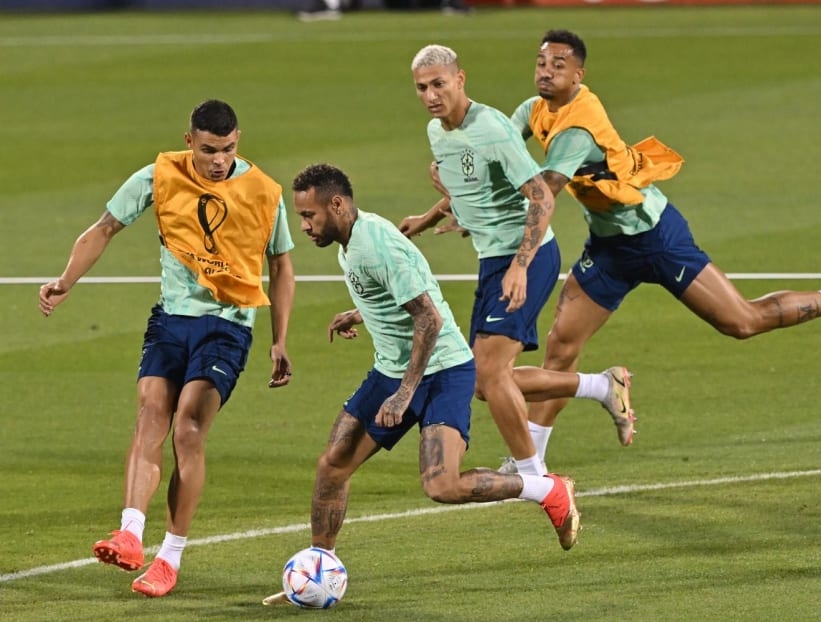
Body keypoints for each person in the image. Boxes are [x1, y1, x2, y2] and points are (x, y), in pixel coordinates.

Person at [494, 29, 821, 470]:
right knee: (562, 345)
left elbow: (548, 190)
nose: (546, 72)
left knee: (742, 322)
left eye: (559, 65)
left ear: (579, 75)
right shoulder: (534, 110)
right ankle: (532, 463)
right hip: (609, 248)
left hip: (656, 238)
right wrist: (449, 199)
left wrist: (516, 253)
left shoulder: (578, 126)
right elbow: (496, 145)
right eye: (541, 63)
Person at [261, 163, 580, 605]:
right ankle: (320, 566)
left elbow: (428, 318)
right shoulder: (351, 241)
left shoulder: (376, 244)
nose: (305, 226)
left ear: (336, 205)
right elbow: (402, 290)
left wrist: (405, 393)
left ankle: (546, 488)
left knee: (442, 486)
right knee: (332, 465)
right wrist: (360, 313)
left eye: (309, 216)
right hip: (393, 367)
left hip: (443, 369)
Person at [38, 99, 296, 597]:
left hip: (227, 327)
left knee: (188, 429)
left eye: (227, 149)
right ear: (189, 142)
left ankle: (169, 557)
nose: (218, 160)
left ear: (237, 140)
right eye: (208, 150)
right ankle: (131, 534)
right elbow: (105, 227)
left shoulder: (264, 192)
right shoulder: (159, 175)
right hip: (171, 321)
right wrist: (66, 280)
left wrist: (279, 338)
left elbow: (282, 265)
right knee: (150, 414)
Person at [401, 44, 634, 477]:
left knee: (489, 373)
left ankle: (533, 473)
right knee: (483, 383)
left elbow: (542, 197)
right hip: (493, 259)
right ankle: (604, 386)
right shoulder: (438, 132)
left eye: (439, 84)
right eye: (422, 87)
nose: (431, 95)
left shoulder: (490, 127)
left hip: (528, 257)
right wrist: (429, 217)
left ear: (460, 79)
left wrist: (520, 265)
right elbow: (468, 188)